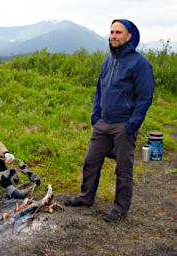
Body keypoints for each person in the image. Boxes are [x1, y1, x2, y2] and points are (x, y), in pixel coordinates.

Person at [64, 19, 155, 222]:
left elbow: (144, 97)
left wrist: (132, 125)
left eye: (118, 32)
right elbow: (99, 90)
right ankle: (86, 197)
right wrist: (95, 116)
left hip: (124, 125)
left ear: (129, 36)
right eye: (112, 32)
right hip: (102, 123)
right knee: (90, 162)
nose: (113, 36)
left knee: (123, 169)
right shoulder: (108, 61)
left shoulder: (140, 64)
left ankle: (120, 208)